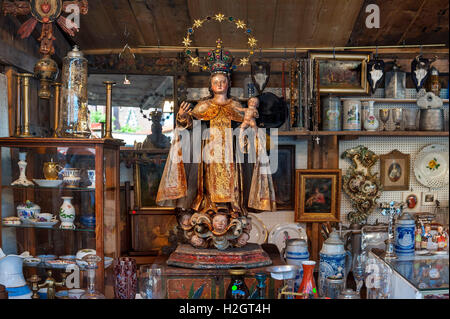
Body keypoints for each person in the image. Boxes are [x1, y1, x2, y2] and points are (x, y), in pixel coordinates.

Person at [156, 41, 276, 250]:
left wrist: (249, 131)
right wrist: (183, 118)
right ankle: (207, 213)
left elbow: (248, 129)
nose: (220, 84)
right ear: (211, 85)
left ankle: (232, 213)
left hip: (231, 157)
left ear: (228, 83)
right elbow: (189, 128)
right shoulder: (203, 106)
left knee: (234, 188)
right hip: (208, 158)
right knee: (206, 187)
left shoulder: (236, 106)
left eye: (223, 81)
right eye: (216, 81)